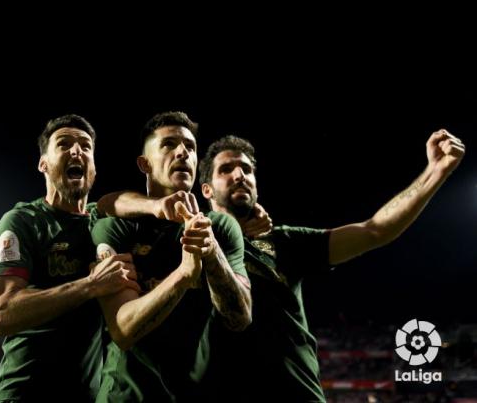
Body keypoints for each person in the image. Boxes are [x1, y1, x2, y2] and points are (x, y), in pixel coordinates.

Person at [193, 131, 464, 401]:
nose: (239, 175)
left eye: (247, 169)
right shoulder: (189, 240)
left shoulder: (286, 241)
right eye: (226, 169)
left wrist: (436, 172)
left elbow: (375, 230)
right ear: (206, 189)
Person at [92, 112, 252, 401]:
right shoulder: (115, 228)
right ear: (145, 163)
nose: (183, 152)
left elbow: (240, 317)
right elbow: (123, 329)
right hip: (127, 397)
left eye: (190, 147)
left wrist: (212, 254)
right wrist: (183, 275)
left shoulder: (222, 227)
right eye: (169, 144)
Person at [0, 114, 139, 402]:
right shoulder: (22, 222)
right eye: (64, 144)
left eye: (85, 145)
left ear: (93, 168)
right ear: (43, 164)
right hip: (22, 393)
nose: (76, 150)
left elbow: (120, 201)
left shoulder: (102, 223)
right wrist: (90, 285)